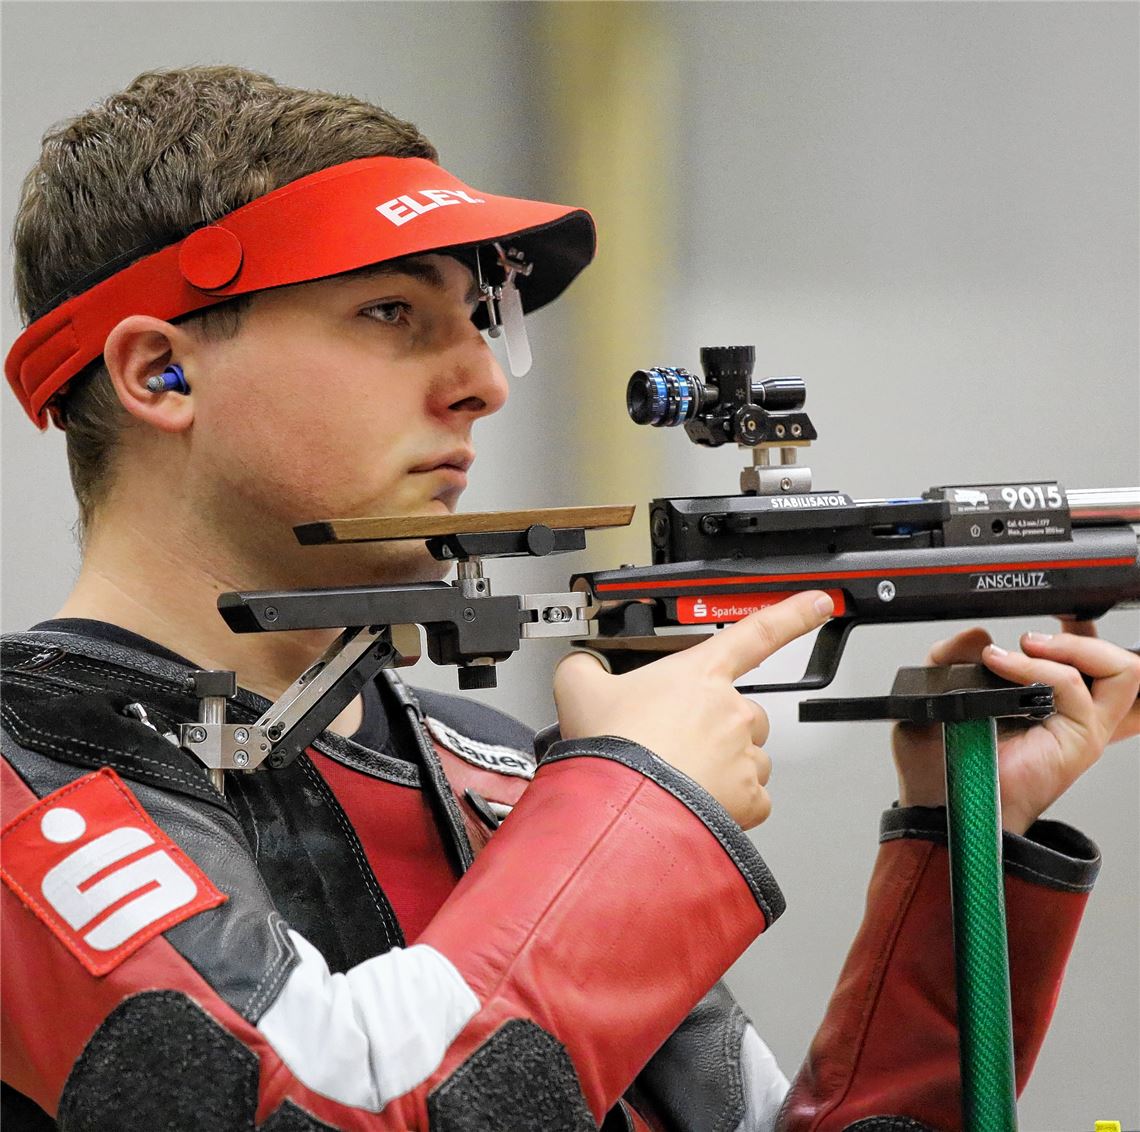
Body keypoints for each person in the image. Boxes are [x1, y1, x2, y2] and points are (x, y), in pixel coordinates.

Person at [2, 66, 1136, 1132]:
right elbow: (324, 1103)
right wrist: (635, 811)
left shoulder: (501, 773)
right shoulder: (24, 772)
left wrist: (965, 841)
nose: (484, 382)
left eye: (479, 317)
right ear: (161, 372)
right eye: (392, 312)